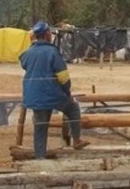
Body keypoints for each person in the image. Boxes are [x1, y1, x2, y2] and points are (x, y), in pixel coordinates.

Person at [19, 21, 89, 159]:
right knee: (73, 109)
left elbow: (25, 64)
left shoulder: (27, 53)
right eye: (49, 33)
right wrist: (67, 93)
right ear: (46, 35)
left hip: (33, 96)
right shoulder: (52, 52)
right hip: (52, 95)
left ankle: (40, 158)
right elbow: (63, 77)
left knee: (41, 126)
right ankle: (77, 140)